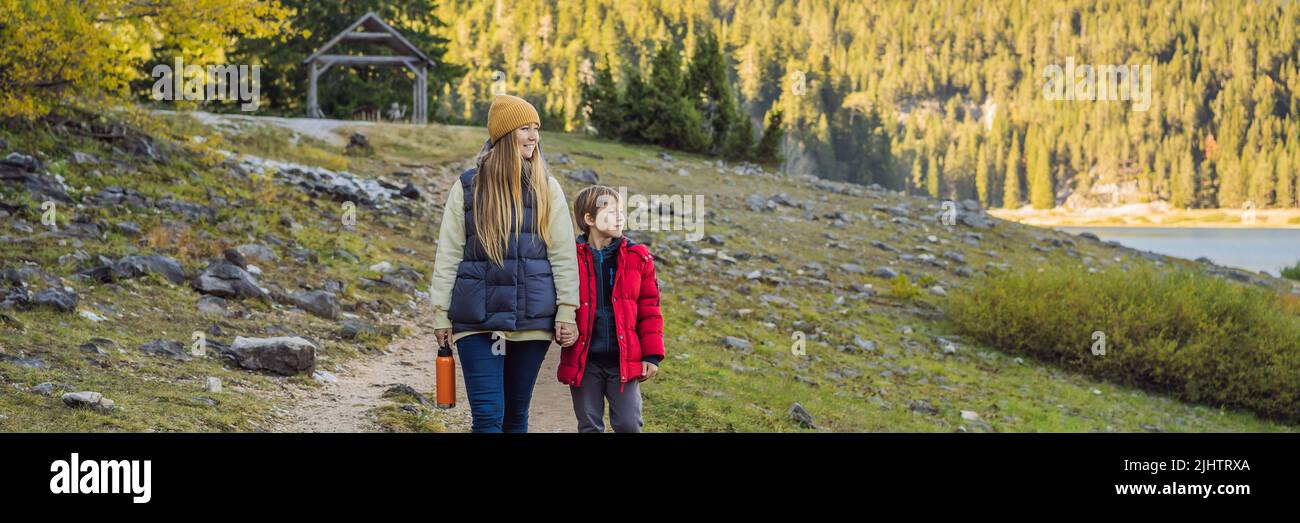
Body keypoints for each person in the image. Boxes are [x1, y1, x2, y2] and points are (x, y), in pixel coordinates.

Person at [428, 94, 579, 433]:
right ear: (505, 135)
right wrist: (440, 313)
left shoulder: (547, 188)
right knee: (487, 416)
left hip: (531, 320)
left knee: (514, 417)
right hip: (476, 320)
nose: (533, 136)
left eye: (536, 128)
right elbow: (449, 253)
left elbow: (563, 254)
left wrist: (567, 310)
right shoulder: (468, 187)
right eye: (525, 128)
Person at [558, 185, 665, 433]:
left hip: (624, 361)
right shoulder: (568, 259)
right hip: (585, 361)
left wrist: (651, 356)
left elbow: (651, 310)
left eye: (621, 211)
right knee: (589, 426)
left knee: (628, 424)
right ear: (589, 219)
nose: (620, 217)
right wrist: (561, 330)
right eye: (612, 212)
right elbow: (558, 303)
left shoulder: (638, 258)